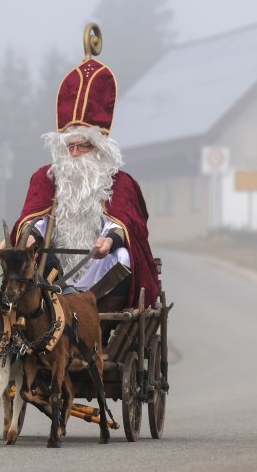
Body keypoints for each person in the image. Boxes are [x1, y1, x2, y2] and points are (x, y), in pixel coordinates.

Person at [10, 46, 159, 312]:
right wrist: (30, 235)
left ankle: (92, 311)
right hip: (52, 274)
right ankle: (56, 304)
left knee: (123, 257)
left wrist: (110, 241)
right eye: (70, 147)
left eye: (83, 147)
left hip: (98, 273)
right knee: (25, 265)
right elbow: (37, 219)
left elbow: (126, 224)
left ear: (99, 149)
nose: (75, 154)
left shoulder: (120, 183)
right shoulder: (47, 178)